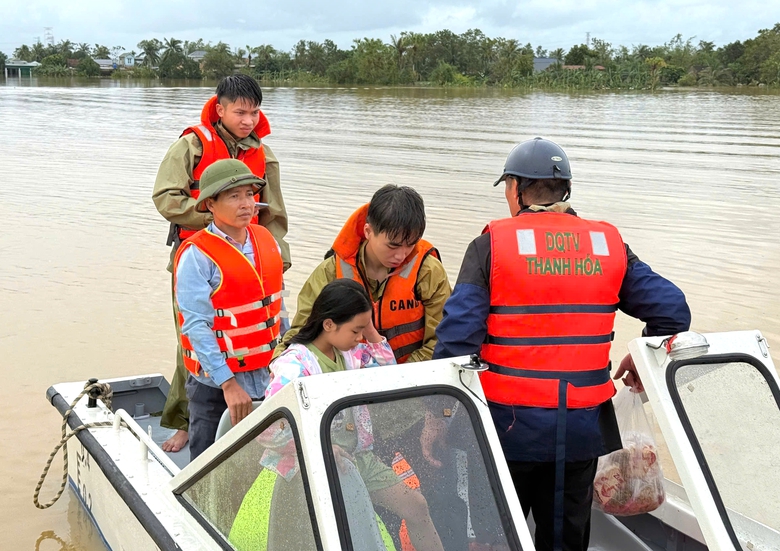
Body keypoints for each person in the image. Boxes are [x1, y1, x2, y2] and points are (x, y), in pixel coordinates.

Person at [433, 137, 691, 551]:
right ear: (565, 191)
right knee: (566, 541)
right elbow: (674, 312)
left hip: (507, 428)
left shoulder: (491, 246)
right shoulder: (608, 246)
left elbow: (455, 340)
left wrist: (439, 416)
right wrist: (642, 356)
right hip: (581, 430)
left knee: (498, 535)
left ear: (515, 188)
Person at [274, 184, 462, 549]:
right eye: (393, 245)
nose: (402, 254)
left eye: (410, 245)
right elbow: (299, 336)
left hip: (415, 405)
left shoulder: (428, 271)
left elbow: (445, 344)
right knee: (378, 514)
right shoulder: (331, 272)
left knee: (442, 493)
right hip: (356, 420)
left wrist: (430, 409)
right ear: (368, 231)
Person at [153, 74, 291, 453]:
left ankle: (252, 420)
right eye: (240, 112)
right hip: (201, 257)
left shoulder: (264, 154)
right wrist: (215, 225)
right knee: (194, 344)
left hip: (254, 257)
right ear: (220, 108)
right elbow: (165, 197)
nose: (248, 120)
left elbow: (274, 212)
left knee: (257, 335)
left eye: (254, 113)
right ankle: (183, 422)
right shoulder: (192, 145)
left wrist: (275, 258)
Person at [266, 279, 445, 551]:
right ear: (328, 324)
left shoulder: (350, 353)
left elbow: (387, 373)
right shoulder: (294, 365)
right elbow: (270, 429)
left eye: (364, 330)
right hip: (314, 468)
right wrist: (321, 447)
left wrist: (370, 329)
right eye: (356, 330)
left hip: (359, 458)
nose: (361, 337)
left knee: (417, 507)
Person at [173, 159, 285, 460]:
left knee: (262, 460)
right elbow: (196, 326)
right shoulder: (197, 256)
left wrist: (287, 362)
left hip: (266, 374)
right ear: (210, 203)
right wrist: (228, 383)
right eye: (234, 196)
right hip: (215, 386)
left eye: (249, 194)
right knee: (208, 464)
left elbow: (277, 310)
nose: (246, 203)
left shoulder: (265, 239)